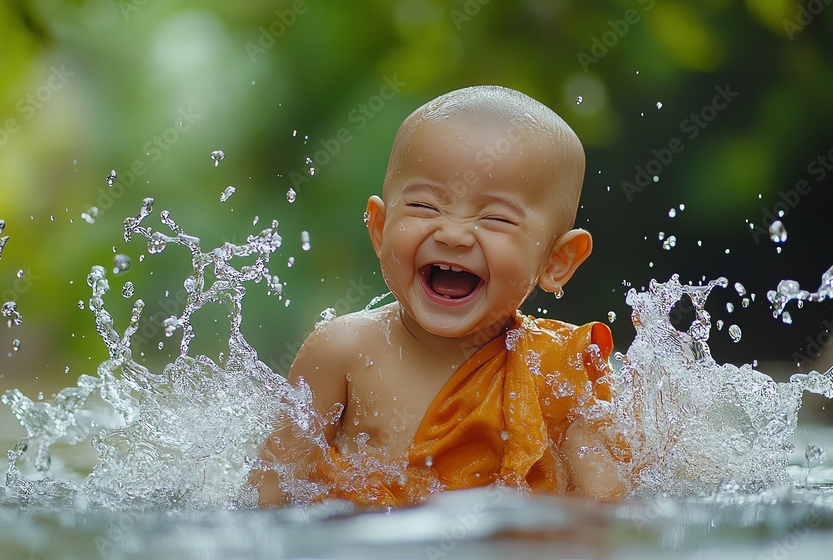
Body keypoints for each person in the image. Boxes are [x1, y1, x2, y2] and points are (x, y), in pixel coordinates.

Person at [253, 85, 629, 507]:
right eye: (424, 207)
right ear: (379, 228)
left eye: (496, 218)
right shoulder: (343, 352)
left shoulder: (559, 369)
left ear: (556, 260)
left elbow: (605, 508)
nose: (452, 234)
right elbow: (270, 497)